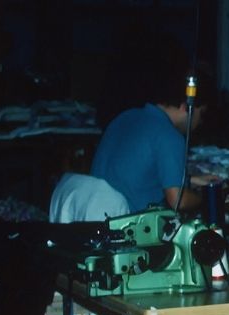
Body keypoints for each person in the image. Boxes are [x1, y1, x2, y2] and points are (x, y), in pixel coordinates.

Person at [90, 69, 216, 214]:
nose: (199, 122)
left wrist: (191, 180)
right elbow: (178, 201)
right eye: (201, 114)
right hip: (126, 223)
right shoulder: (170, 136)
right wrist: (208, 197)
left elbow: (136, 173)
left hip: (95, 214)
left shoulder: (126, 116)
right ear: (186, 107)